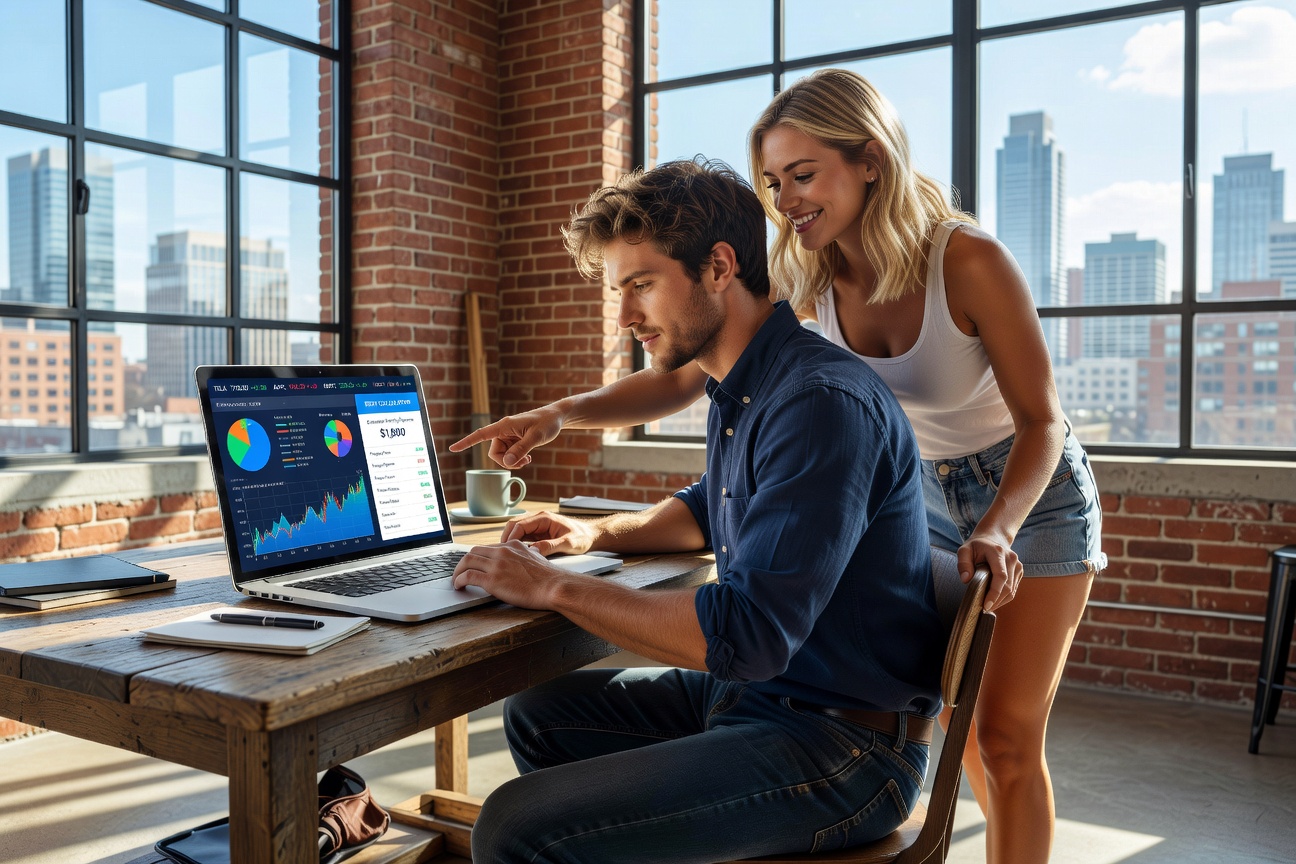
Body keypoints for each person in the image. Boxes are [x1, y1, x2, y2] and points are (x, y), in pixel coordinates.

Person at [452, 69, 1106, 864]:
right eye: (774, 181)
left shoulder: (953, 269)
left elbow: (1042, 419)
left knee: (1000, 739)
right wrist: (579, 481)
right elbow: (691, 402)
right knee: (538, 714)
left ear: (870, 159)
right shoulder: (792, 306)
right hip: (903, 504)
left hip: (1028, 490)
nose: (788, 199)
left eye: (803, 174)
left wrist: (554, 586)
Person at [450, 157, 945, 863]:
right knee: (539, 714)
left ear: (718, 266)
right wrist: (595, 533)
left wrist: (552, 585)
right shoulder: (745, 383)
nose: (624, 318)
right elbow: (706, 512)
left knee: (513, 827)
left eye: (641, 286)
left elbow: (748, 635)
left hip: (843, 748)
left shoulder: (818, 403)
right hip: (764, 701)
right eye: (619, 291)